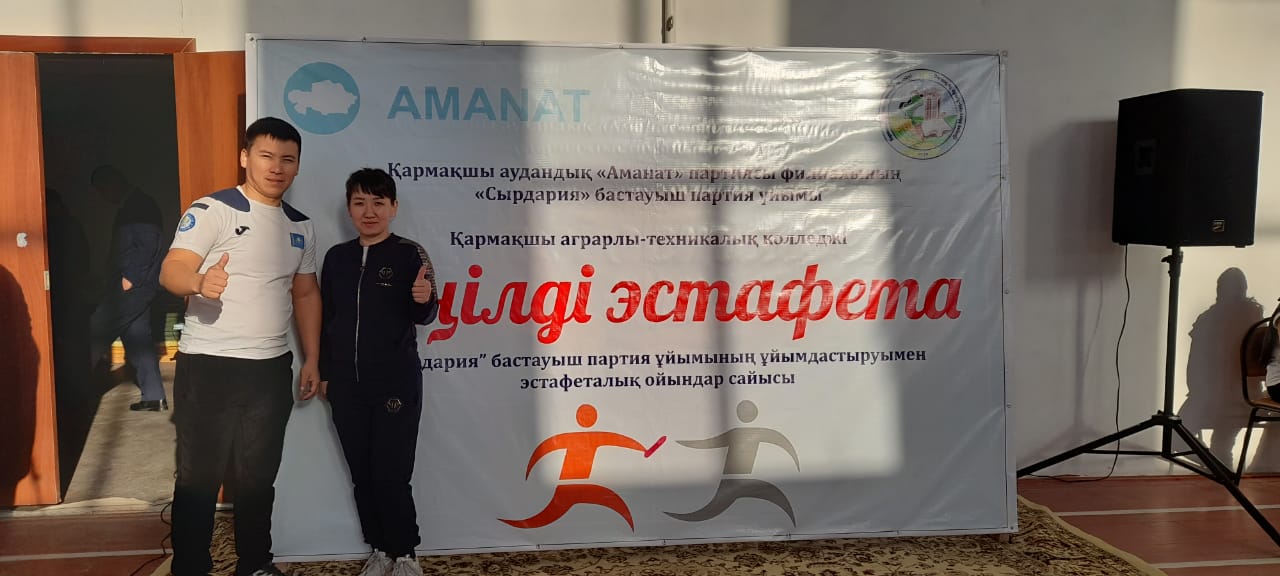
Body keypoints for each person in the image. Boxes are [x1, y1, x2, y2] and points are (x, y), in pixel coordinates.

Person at [159, 117, 321, 576]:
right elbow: (171, 269)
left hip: (269, 368)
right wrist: (198, 282)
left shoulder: (301, 226)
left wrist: (313, 358)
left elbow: (305, 293)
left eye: (287, 159)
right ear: (245, 157)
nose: (277, 167)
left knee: (258, 476)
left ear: (297, 166)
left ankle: (255, 563)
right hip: (210, 364)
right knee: (199, 475)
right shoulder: (213, 210)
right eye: (266, 156)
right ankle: (191, 566)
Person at [318, 168, 437, 576]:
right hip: (345, 385)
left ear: (393, 207)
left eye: (378, 203)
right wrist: (325, 372)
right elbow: (327, 319)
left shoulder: (409, 254)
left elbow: (425, 315)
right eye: (360, 203)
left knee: (391, 472)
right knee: (362, 474)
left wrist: (423, 299)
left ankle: (405, 553)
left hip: (395, 383)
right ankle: (380, 549)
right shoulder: (337, 258)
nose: (369, 212)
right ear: (349, 208)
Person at [87, 166, 167, 411]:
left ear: (113, 183)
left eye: (102, 190)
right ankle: (154, 397)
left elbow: (148, 242)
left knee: (96, 331)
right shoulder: (136, 203)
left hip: (133, 286)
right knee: (138, 338)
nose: (103, 196)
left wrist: (130, 278)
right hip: (138, 286)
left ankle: (72, 395)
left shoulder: (138, 206)